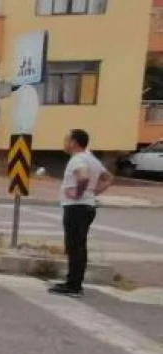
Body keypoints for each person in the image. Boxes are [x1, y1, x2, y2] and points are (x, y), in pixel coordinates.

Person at [50, 128, 113, 298]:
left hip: (76, 207)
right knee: (79, 246)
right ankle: (74, 282)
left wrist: (78, 194)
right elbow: (108, 178)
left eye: (66, 139)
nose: (64, 143)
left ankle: (73, 286)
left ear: (73, 142)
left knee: (74, 246)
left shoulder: (77, 159)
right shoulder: (91, 158)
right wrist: (92, 193)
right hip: (87, 206)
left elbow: (83, 178)